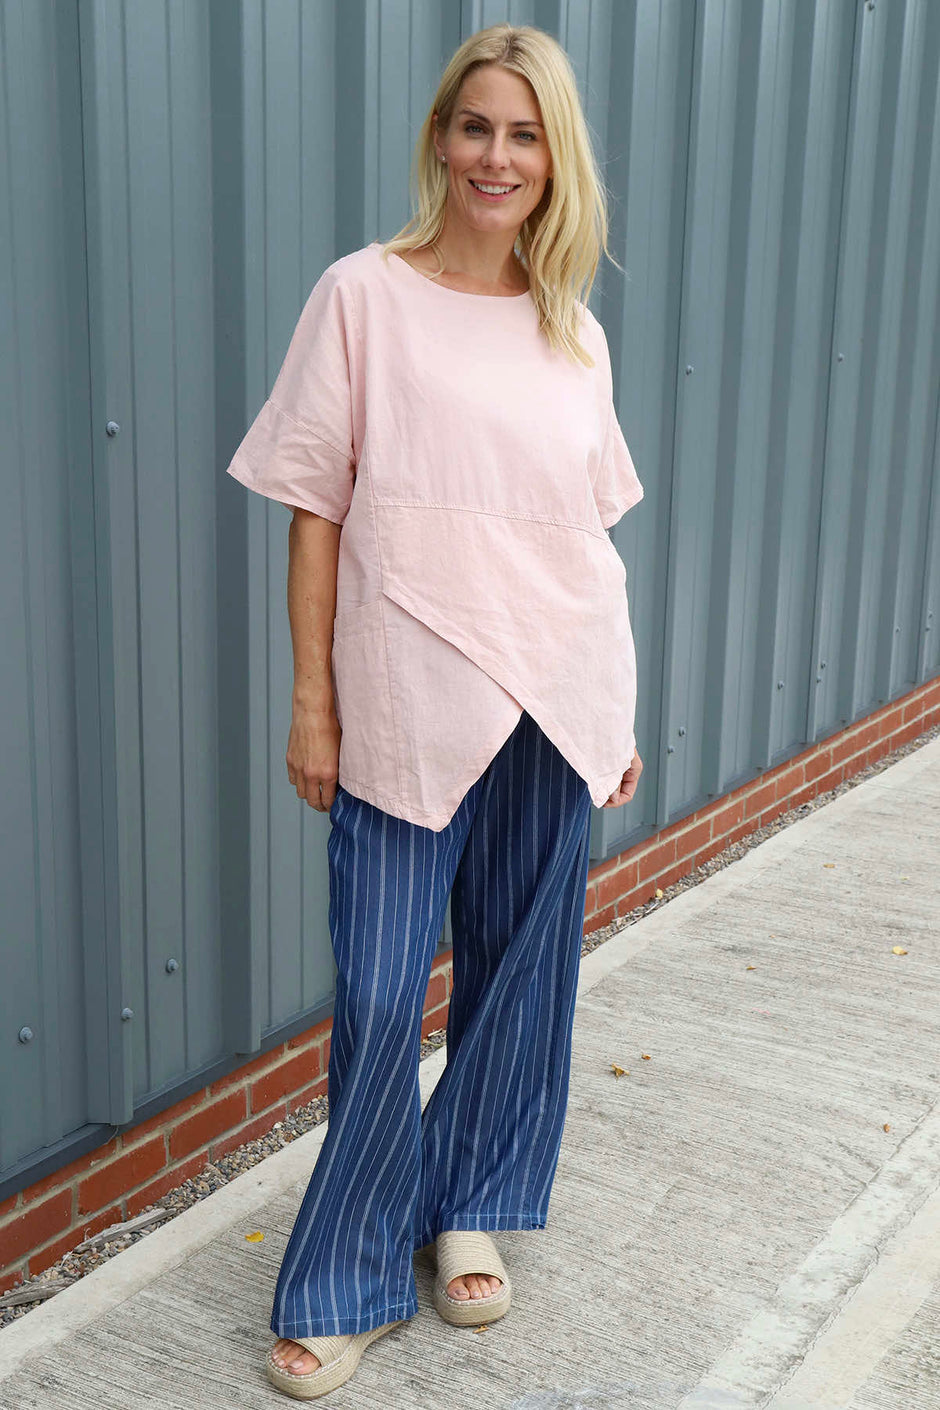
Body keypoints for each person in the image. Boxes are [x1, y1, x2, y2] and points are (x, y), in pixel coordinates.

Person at [225, 21, 644, 1400]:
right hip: (406, 705)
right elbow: (315, 508)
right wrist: (313, 698)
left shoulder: (572, 329)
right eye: (477, 127)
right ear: (441, 140)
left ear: (554, 158)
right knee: (378, 986)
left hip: (557, 703)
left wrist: (613, 710)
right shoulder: (362, 296)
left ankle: (470, 1208)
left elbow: (587, 537)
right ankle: (346, 1276)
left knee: (524, 975)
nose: (497, 157)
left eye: (525, 135)